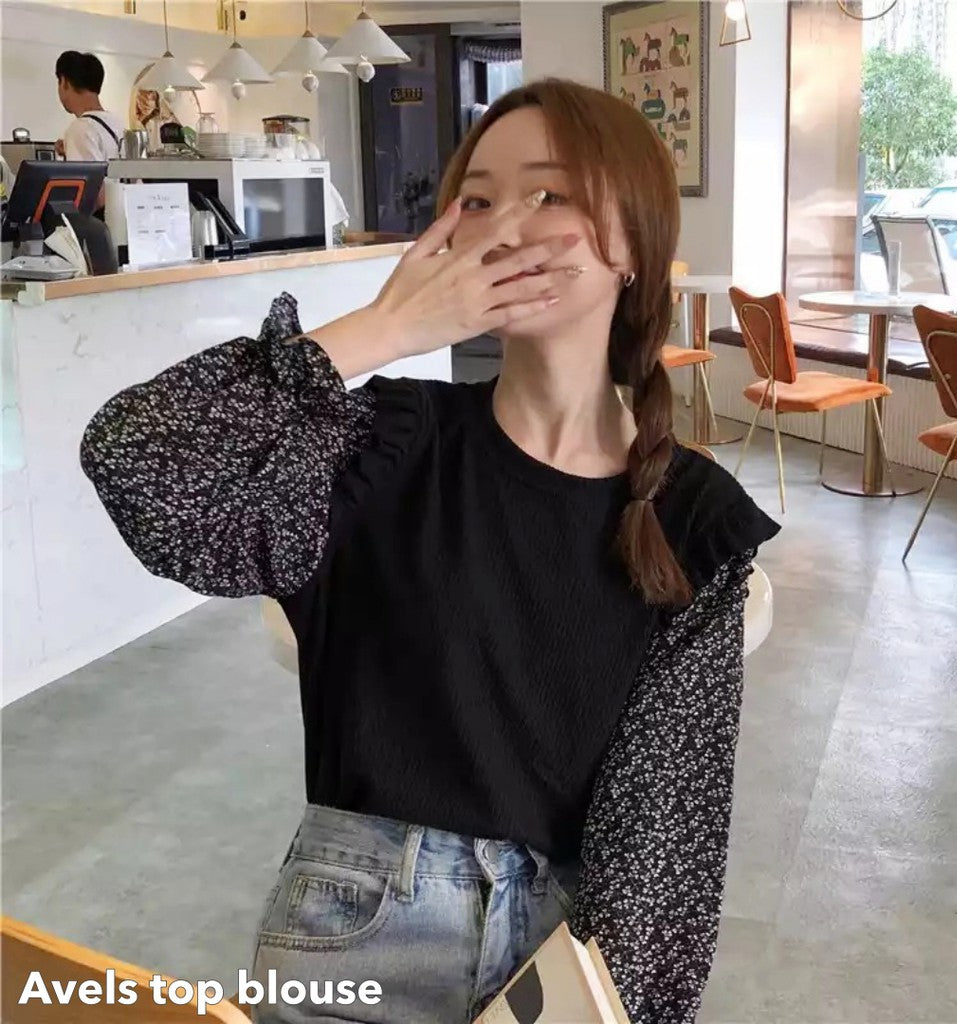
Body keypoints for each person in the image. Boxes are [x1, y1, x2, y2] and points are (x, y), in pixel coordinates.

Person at [80, 78, 779, 1023]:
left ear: (632, 247)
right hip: (354, 936)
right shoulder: (379, 444)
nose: (505, 228)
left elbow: (664, 849)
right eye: (477, 201)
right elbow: (136, 458)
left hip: (563, 952)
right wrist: (386, 329)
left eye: (549, 194)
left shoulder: (697, 520)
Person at [55, 50, 124, 219]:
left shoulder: (80, 128)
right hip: (128, 214)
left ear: (64, 82)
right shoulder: (117, 123)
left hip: (104, 221)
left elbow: (89, 192)